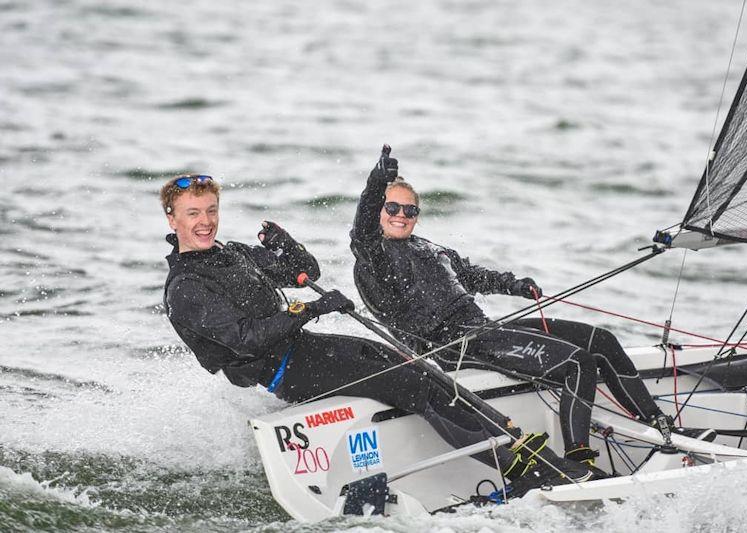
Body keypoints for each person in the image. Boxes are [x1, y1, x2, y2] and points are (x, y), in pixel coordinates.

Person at [159, 173, 598, 497]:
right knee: (412, 385)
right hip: (283, 370)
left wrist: (285, 246)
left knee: (417, 368)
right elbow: (246, 339)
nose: (205, 222)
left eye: (211, 211)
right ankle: (523, 469)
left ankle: (511, 437)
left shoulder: (230, 252)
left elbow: (305, 271)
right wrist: (310, 310)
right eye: (193, 214)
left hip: (304, 348)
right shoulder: (187, 287)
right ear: (172, 218)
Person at [350, 146, 712, 469]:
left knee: (599, 340)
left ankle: (662, 425)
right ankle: (578, 458)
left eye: (409, 209)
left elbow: (473, 276)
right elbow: (361, 234)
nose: (401, 215)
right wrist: (373, 185)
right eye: (392, 207)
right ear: (379, 210)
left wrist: (515, 285)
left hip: (485, 330)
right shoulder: (374, 257)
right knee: (576, 364)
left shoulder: (428, 247)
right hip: (455, 347)